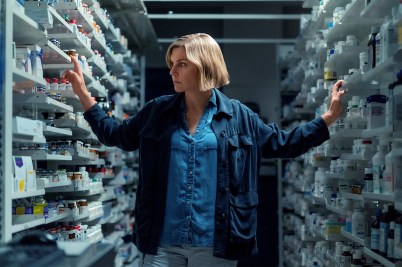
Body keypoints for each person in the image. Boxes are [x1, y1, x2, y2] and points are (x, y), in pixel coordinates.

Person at [62, 33, 346, 267]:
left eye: (182, 64)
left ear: (205, 65)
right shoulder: (157, 112)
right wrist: (84, 95)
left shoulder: (239, 116)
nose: (172, 71)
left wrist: (328, 118)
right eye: (172, 64)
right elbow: (118, 135)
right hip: (162, 241)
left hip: (215, 243)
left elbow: (282, 143)